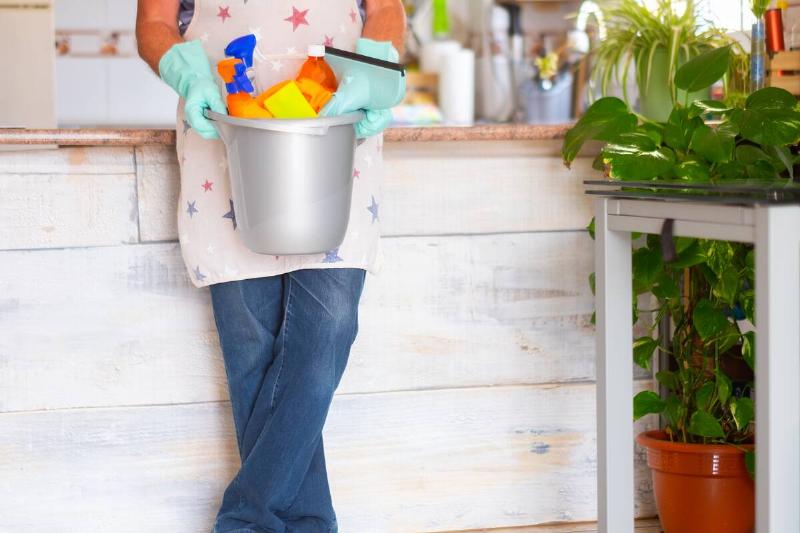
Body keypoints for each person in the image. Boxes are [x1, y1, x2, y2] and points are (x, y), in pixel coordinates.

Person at [135, 2, 406, 532]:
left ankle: (247, 519)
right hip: (226, 139)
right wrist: (188, 77)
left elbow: (387, 9)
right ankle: (305, 522)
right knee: (252, 350)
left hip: (335, 131)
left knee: (328, 327)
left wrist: (373, 68)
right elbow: (154, 22)